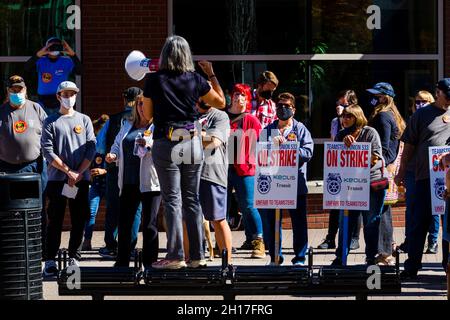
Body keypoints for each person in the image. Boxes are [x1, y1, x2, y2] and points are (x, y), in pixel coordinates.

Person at [143, 36, 225, 270]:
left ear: (165, 55)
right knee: (192, 199)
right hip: (191, 140)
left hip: (167, 141)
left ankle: (176, 255)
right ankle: (198, 255)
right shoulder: (196, 79)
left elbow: (147, 115)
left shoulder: (154, 80)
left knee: (172, 200)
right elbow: (220, 102)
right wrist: (211, 75)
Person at [395, 78, 450, 279]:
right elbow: (408, 146)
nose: (449, 101)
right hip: (426, 178)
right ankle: (412, 267)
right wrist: (401, 173)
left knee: (449, 225)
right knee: (420, 223)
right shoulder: (421, 115)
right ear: (438, 92)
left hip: (449, 179)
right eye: (447, 96)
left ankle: (448, 266)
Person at [41, 81, 96, 276]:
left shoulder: (84, 120)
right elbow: (48, 151)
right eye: (65, 94)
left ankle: (74, 256)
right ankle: (49, 260)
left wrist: (79, 172)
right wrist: (67, 172)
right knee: (54, 220)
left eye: (72, 94)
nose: (69, 97)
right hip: (57, 179)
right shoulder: (50, 121)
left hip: (81, 179)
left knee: (79, 219)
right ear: (58, 96)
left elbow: (91, 147)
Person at [106, 95, 161, 268]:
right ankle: (122, 262)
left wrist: (149, 143)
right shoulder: (127, 125)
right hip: (128, 180)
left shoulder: (158, 126)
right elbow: (117, 144)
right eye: (139, 104)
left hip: (150, 181)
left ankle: (150, 263)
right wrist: (113, 154)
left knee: (149, 224)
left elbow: (163, 147)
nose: (141, 107)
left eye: (145, 104)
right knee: (125, 223)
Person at [259, 92, 314, 266]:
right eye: (280, 106)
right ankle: (275, 257)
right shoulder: (267, 130)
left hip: (296, 184)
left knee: (298, 223)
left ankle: (299, 258)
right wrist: (271, 146)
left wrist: (288, 148)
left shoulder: (300, 129)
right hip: (273, 185)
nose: (283, 109)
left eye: (287, 106)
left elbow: (308, 152)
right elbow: (258, 153)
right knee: (272, 223)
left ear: (294, 110)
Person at [0, 75, 48, 259]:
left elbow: (48, 137)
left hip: (33, 168)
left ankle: (39, 250)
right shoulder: (1, 111)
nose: (17, 93)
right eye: (13, 90)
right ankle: (12, 252)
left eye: (19, 89)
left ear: (25, 90)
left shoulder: (36, 109)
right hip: (6, 168)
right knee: (8, 211)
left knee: (37, 209)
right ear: (8, 91)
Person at [331, 105, 386, 266]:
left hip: (371, 182)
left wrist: (354, 148)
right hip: (349, 185)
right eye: (344, 116)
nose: (345, 119)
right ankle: (341, 257)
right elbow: (334, 158)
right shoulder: (341, 135)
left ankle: (371, 257)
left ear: (358, 117)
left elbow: (375, 157)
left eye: (349, 116)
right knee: (345, 221)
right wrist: (343, 144)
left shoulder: (369, 132)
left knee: (371, 221)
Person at [96, 87, 143, 258]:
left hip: (114, 169)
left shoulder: (113, 120)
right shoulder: (146, 119)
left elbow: (100, 146)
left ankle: (111, 245)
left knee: (114, 208)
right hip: (138, 169)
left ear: (124, 100)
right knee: (136, 208)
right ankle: (130, 247)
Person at [366, 82, 406, 266]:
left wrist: (377, 164)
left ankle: (383, 253)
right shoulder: (392, 115)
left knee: (380, 212)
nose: (374, 99)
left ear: (384, 97)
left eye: (377, 95)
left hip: (381, 172)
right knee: (384, 211)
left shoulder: (383, 117)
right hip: (387, 170)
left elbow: (383, 148)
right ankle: (386, 250)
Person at [319, 90, 362, 250]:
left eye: (344, 105)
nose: (340, 109)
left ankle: (354, 238)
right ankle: (331, 238)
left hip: (354, 170)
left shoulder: (361, 125)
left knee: (355, 203)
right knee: (335, 204)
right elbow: (334, 142)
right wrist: (339, 119)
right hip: (339, 167)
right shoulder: (336, 122)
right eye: (339, 105)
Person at [227, 83, 265, 258]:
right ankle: (223, 244)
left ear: (248, 99)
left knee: (248, 205)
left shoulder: (251, 119)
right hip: (222, 167)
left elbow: (262, 144)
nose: (239, 98)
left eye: (243, 95)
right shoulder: (222, 116)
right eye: (236, 94)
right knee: (222, 207)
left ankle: (259, 241)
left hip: (245, 168)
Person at [398, 91, 438, 254]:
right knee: (412, 207)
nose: (420, 104)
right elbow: (405, 147)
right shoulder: (412, 121)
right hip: (412, 170)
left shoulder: (437, 120)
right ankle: (410, 241)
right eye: (417, 102)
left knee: (435, 207)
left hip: (432, 171)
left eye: (424, 101)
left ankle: (433, 241)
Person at [196, 99, 233, 264]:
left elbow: (215, 142)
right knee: (187, 219)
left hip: (212, 173)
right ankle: (193, 260)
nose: (206, 99)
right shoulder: (188, 115)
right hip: (188, 173)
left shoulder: (220, 116)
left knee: (217, 219)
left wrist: (192, 134)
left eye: (209, 95)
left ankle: (228, 263)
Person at [25, 37, 82, 115]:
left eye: (57, 46)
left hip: (60, 100)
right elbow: (27, 67)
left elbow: (80, 71)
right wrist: (39, 54)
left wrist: (73, 55)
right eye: (51, 46)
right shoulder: (41, 61)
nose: (54, 48)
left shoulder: (66, 61)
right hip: (43, 101)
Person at [82, 114, 109, 251]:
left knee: (112, 213)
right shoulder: (93, 147)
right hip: (96, 183)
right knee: (91, 212)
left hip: (110, 182)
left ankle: (111, 242)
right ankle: (87, 241)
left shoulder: (111, 145)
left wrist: (104, 171)